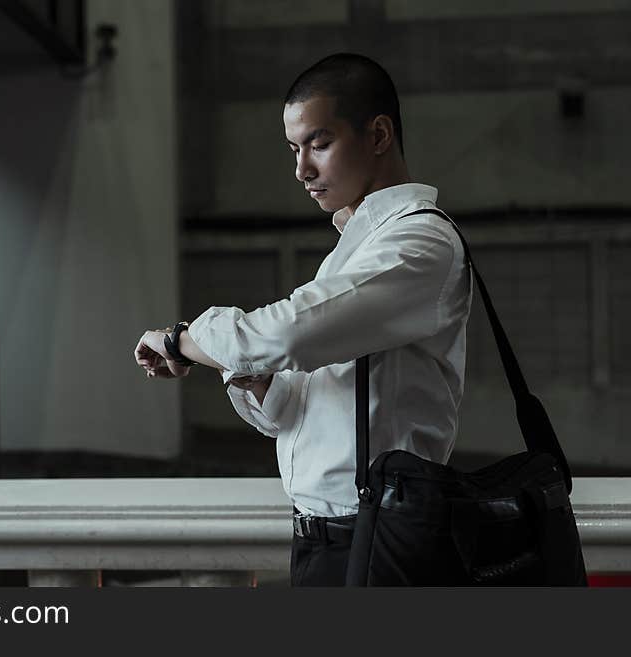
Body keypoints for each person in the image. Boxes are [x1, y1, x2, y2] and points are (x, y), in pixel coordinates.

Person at [133, 53, 472, 586]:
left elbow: (288, 332)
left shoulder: (419, 241)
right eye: (295, 149)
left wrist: (184, 339)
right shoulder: (354, 250)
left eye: (320, 143)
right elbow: (292, 414)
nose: (302, 170)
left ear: (378, 134)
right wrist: (260, 380)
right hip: (325, 535)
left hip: (382, 533)